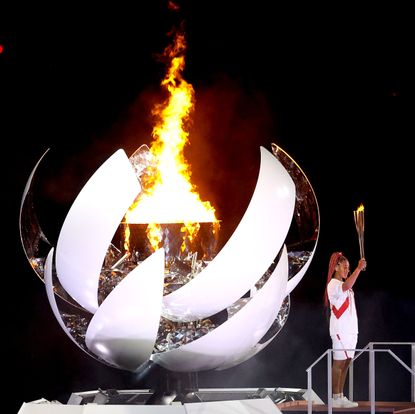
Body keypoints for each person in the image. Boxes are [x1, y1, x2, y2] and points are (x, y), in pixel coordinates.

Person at [324, 252, 366, 408]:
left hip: (350, 330)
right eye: (345, 267)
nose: (347, 270)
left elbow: (348, 285)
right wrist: (358, 268)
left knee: (347, 361)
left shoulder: (346, 287)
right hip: (340, 330)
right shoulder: (333, 284)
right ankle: (335, 397)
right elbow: (347, 284)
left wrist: (356, 270)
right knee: (339, 362)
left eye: (348, 268)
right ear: (336, 267)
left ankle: (340, 396)